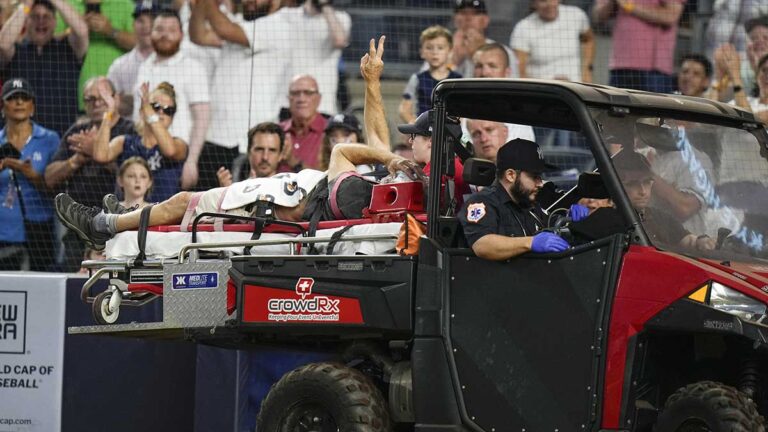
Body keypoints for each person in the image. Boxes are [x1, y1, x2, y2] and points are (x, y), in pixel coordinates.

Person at [54, 36, 417, 251]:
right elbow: (379, 139)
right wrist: (372, 81)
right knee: (183, 204)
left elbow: (344, 151)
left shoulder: (371, 189)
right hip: (287, 192)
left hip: (280, 204)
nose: (411, 144)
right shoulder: (383, 190)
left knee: (185, 202)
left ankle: (103, 225)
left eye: (419, 139)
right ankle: (125, 217)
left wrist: (391, 160)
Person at [189, 0, 291, 190]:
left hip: (251, 143)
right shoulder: (237, 23)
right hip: (215, 137)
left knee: (242, 211)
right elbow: (198, 35)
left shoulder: (279, 25)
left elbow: (224, 28)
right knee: (209, 209)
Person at [44, 76, 135, 271]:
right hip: (78, 224)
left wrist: (98, 151)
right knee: (73, 283)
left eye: (102, 98)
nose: (96, 103)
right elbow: (49, 178)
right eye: (90, 99)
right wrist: (75, 160)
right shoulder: (76, 131)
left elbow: (137, 177)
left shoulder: (129, 130)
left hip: (117, 224)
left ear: (115, 99)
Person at [134, 10, 210, 190]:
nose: (165, 35)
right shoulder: (144, 66)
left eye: (171, 30)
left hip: (174, 159)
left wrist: (191, 161)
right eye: (159, 29)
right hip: (140, 156)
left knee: (166, 216)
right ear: (151, 33)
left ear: (181, 35)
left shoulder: (193, 68)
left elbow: (202, 118)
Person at [458, 138, 570, 260]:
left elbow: (552, 223)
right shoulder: (483, 202)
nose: (540, 183)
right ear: (511, 175)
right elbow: (483, 245)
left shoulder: (528, 205)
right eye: (534, 177)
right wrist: (530, 243)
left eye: (540, 177)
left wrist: (571, 219)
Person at [0, 0, 88, 136]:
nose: (41, 21)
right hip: (18, 139)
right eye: (35, 17)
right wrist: (27, 4)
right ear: (26, 22)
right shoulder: (16, 51)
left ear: (55, 22)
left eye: (46, 17)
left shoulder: (68, 49)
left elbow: (82, 31)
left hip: (62, 138)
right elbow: (3, 43)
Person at [0, 78, 59, 270]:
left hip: (37, 234)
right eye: (13, 98)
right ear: (3, 106)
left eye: (24, 98)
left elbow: (57, 191)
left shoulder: (50, 139)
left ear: (32, 106)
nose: (19, 102)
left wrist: (31, 174)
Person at [93, 81, 187, 202]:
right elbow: (100, 156)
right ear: (142, 111)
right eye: (156, 107)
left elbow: (169, 151)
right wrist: (109, 112)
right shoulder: (124, 142)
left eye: (168, 110)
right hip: (128, 216)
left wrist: (151, 116)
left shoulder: (179, 145)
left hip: (164, 217)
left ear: (172, 118)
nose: (161, 113)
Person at [592, 0, 685, 93]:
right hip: (620, 67)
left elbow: (671, 15)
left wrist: (630, 6)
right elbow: (597, 17)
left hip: (654, 71)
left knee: (651, 107)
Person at [282, 0, 351, 115]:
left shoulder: (341, 18)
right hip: (290, 102)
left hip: (324, 103)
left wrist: (325, 5)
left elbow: (340, 40)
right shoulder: (288, 15)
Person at [70, 0, 136, 110]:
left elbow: (138, 44)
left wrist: (110, 30)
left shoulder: (125, 5)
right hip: (80, 93)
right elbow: (52, 39)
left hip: (118, 93)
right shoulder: (69, 4)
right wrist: (78, 28)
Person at [511, 0, 594, 83]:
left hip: (577, 87)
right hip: (544, 90)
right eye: (543, 1)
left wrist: (587, 70)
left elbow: (589, 40)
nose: (550, 4)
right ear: (533, 4)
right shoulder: (523, 28)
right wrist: (551, 84)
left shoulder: (576, 15)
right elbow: (520, 72)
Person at [398, 111, 469, 208]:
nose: (410, 141)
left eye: (414, 135)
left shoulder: (438, 172)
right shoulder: (455, 165)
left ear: (431, 141)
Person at [399, 25, 462, 123]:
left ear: (450, 51)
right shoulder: (417, 79)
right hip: (424, 131)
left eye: (440, 48)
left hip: (450, 131)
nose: (434, 52)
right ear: (422, 52)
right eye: (429, 48)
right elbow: (404, 109)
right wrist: (416, 128)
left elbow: (462, 111)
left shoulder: (458, 80)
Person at [107, 1, 158, 117]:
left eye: (152, 21)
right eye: (141, 21)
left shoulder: (172, 62)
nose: (146, 26)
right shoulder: (119, 65)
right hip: (130, 129)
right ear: (133, 25)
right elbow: (111, 104)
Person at [451, 0, 516, 78]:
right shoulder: (441, 49)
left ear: (485, 20)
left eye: (475, 14)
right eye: (463, 13)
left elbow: (513, 84)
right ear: (455, 19)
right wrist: (454, 60)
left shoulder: (503, 52)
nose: (468, 18)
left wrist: (477, 53)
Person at [279, 75, 328, 171]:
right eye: (295, 93)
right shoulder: (276, 133)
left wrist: (293, 162)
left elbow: (333, 179)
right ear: (289, 98)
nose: (301, 99)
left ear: (319, 98)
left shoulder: (331, 132)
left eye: (308, 93)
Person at [217, 122, 285, 187]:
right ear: (249, 151)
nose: (265, 157)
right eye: (259, 149)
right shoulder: (235, 191)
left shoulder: (291, 192)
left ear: (280, 155)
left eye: (272, 150)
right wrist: (227, 193)